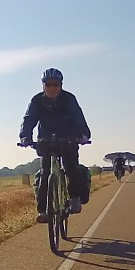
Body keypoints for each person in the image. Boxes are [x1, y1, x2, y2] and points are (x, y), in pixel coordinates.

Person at [18, 68, 92, 223]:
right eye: (48, 84)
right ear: (43, 85)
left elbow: (78, 118)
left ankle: (74, 198)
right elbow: (29, 119)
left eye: (55, 84)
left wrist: (83, 135)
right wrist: (25, 137)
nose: (52, 88)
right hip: (45, 140)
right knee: (45, 174)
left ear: (61, 85)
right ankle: (43, 210)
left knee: (71, 168)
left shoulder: (69, 99)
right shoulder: (37, 101)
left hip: (68, 139)